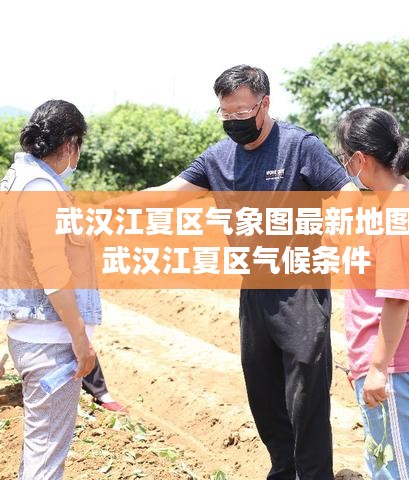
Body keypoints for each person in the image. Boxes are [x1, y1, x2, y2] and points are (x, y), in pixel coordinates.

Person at [110, 65, 356, 480]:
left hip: (300, 287)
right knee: (263, 393)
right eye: (226, 114)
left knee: (305, 397)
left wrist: (336, 232)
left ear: (265, 104)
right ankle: (283, 471)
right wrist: (111, 208)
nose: (233, 122)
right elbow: (168, 195)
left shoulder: (299, 146)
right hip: (253, 288)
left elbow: (347, 192)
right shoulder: (217, 158)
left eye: (242, 113)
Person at [336, 107, 409, 479]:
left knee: (397, 471)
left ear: (360, 159)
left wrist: (379, 369)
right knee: (384, 466)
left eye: (344, 158)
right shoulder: (393, 203)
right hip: (388, 365)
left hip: (395, 367)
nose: (345, 167)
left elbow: (398, 298)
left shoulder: (400, 213)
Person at [0, 100, 101, 479]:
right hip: (51, 344)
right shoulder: (41, 188)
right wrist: (80, 338)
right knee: (45, 460)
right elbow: (52, 272)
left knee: (39, 450)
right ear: (71, 143)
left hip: (28, 336)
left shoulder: (14, 181)